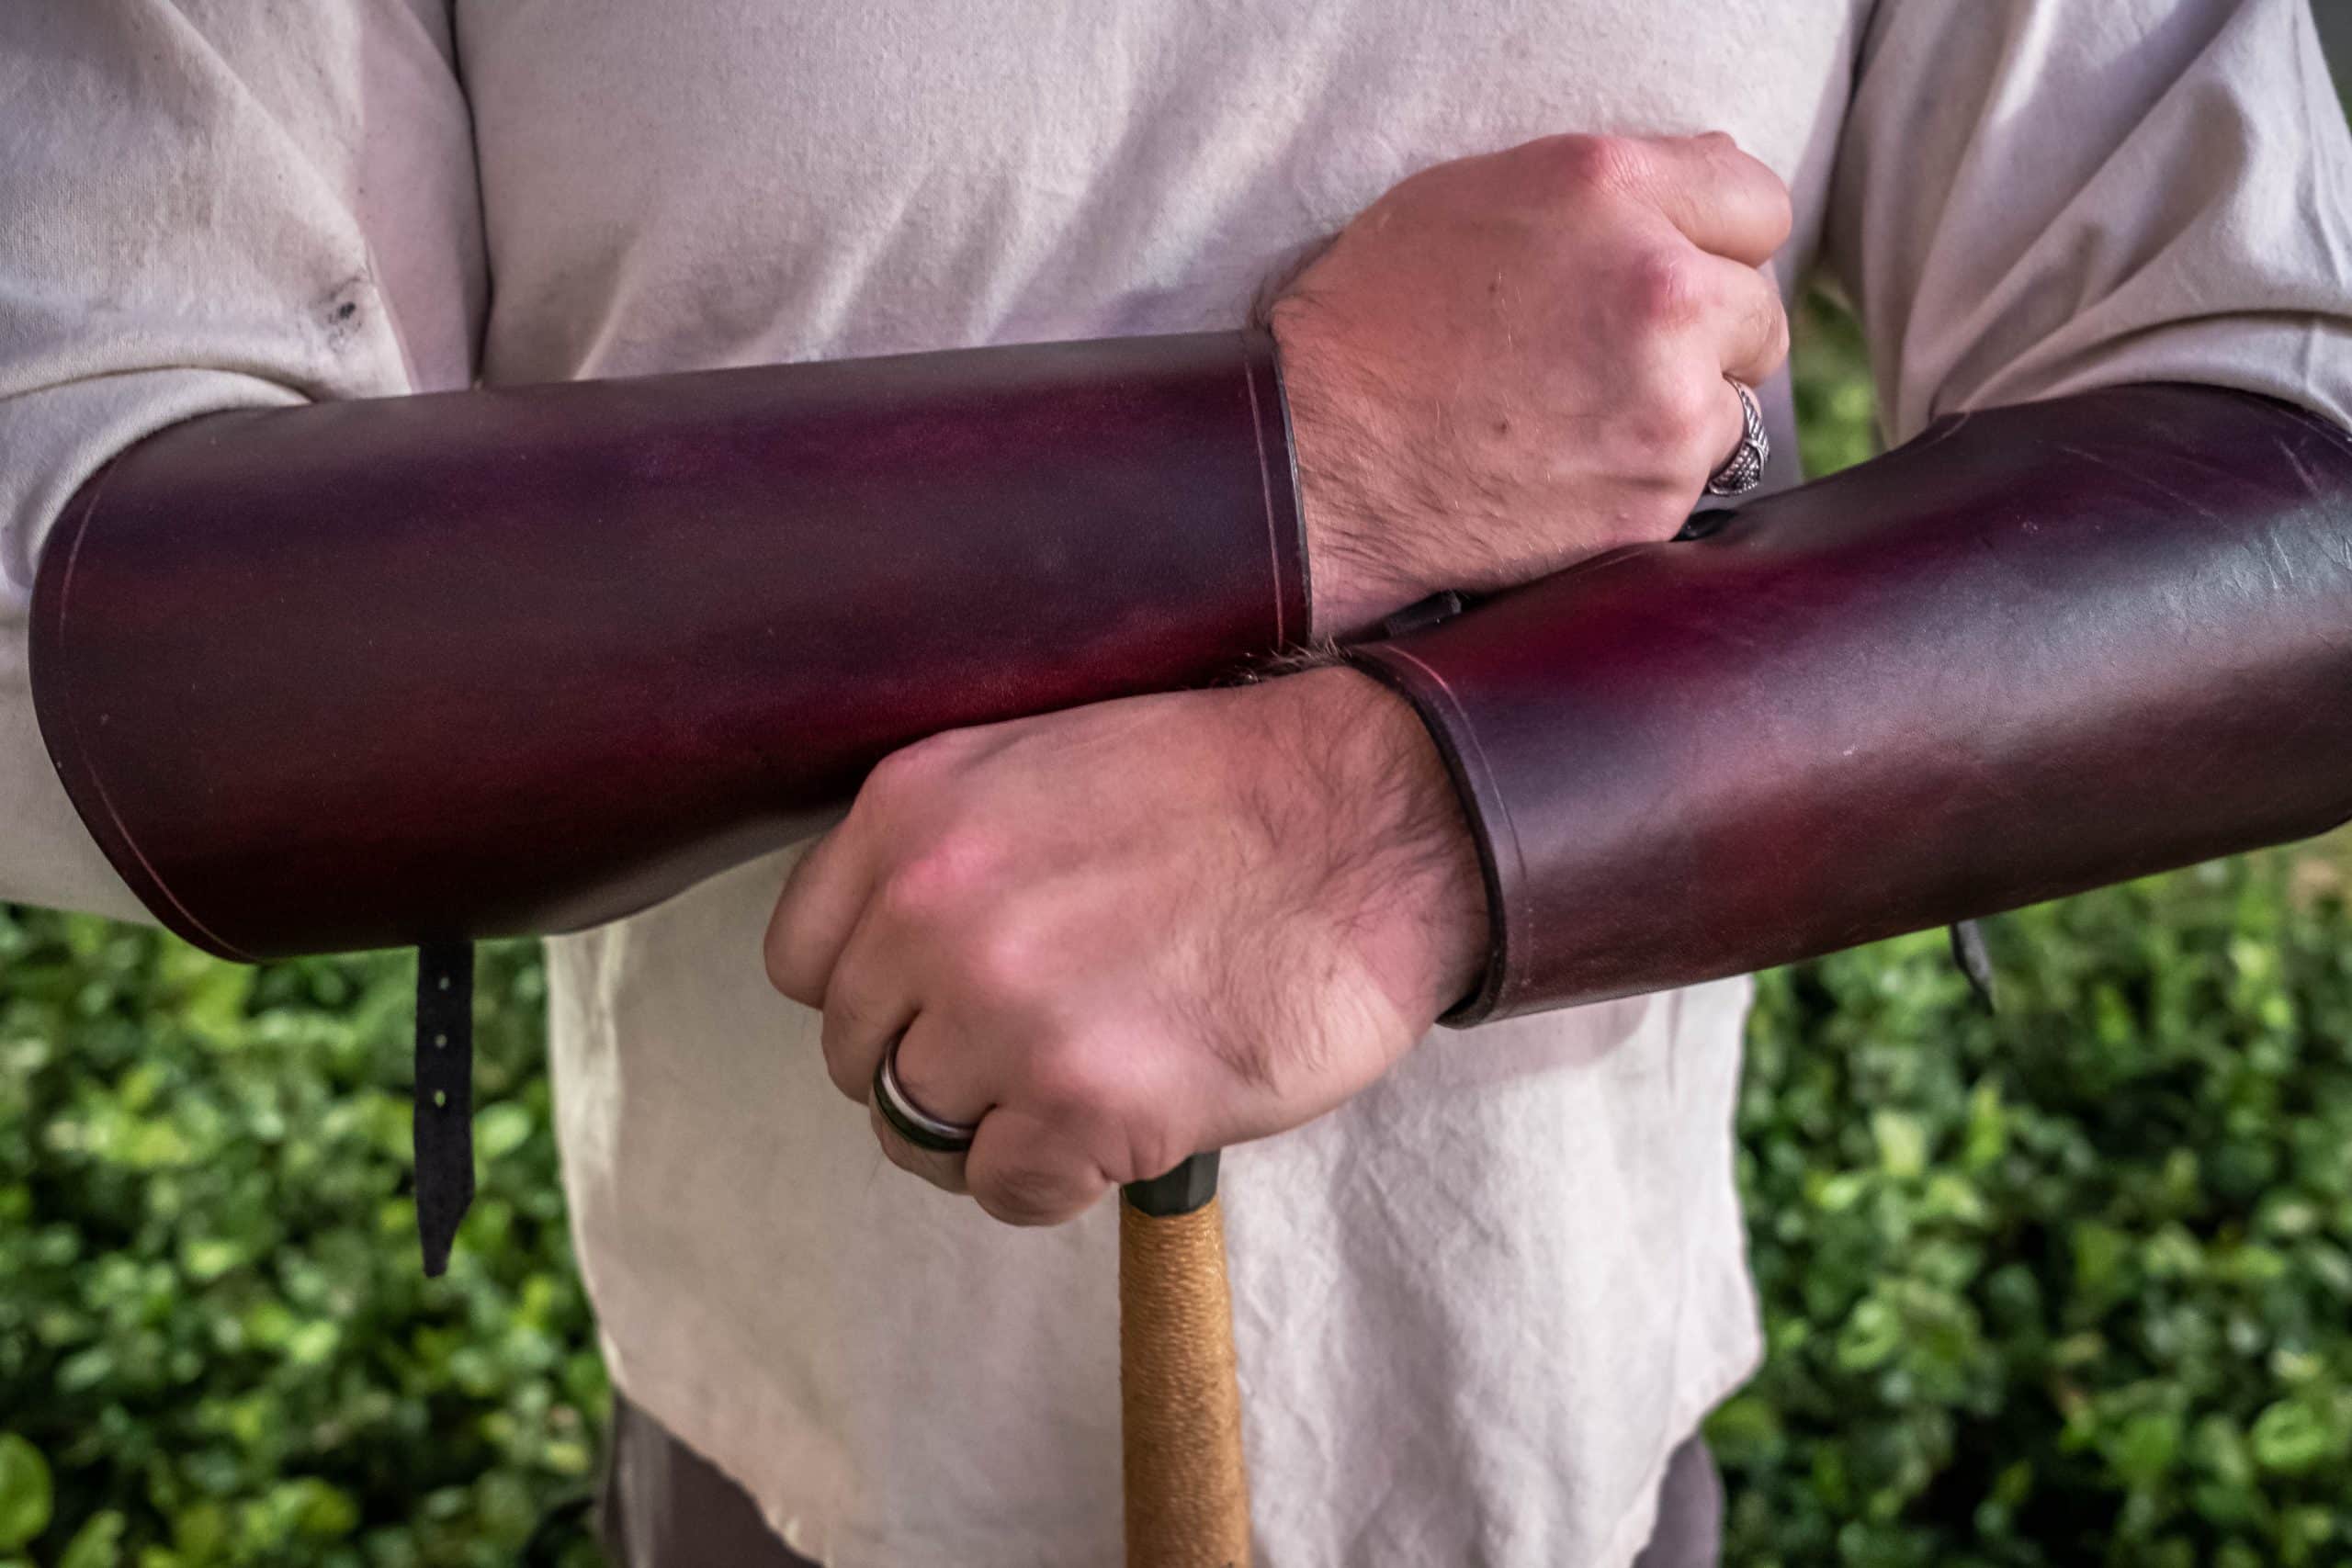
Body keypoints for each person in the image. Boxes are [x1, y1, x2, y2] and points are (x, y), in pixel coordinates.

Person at [5, 3, 2349, 1565]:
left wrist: (1372, 830)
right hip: (787, 1457)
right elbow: (70, 581)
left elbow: (2285, 451)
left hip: (1566, 1446)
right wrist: (1316, 463)